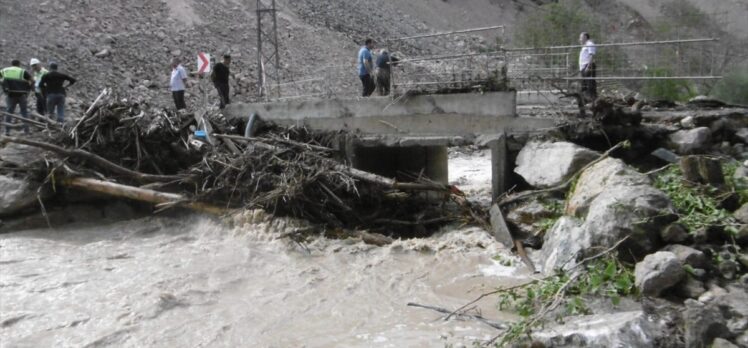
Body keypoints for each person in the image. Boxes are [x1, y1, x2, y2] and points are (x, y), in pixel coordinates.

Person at [0, 59, 33, 135]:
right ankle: (26, 131)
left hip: (10, 95)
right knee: (24, 112)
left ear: (11, 64)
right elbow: (32, 80)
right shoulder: (22, 71)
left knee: (9, 112)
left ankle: (7, 131)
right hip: (22, 95)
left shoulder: (5, 70)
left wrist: (3, 84)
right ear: (19, 64)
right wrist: (29, 88)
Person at [578, 32, 597, 103]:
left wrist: (588, 67)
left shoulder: (590, 44)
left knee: (590, 84)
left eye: (581, 37)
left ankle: (592, 100)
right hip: (583, 67)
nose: (579, 39)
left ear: (585, 37)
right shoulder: (585, 45)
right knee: (584, 84)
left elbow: (591, 56)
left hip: (588, 66)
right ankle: (586, 100)